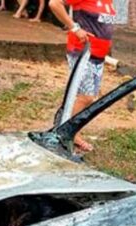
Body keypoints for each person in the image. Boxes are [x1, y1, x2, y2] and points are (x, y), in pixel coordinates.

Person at [50, 0, 117, 151]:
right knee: (85, 96)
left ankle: (69, 128)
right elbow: (54, 4)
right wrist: (75, 28)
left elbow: (103, 25)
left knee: (89, 97)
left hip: (98, 56)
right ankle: (66, 132)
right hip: (82, 52)